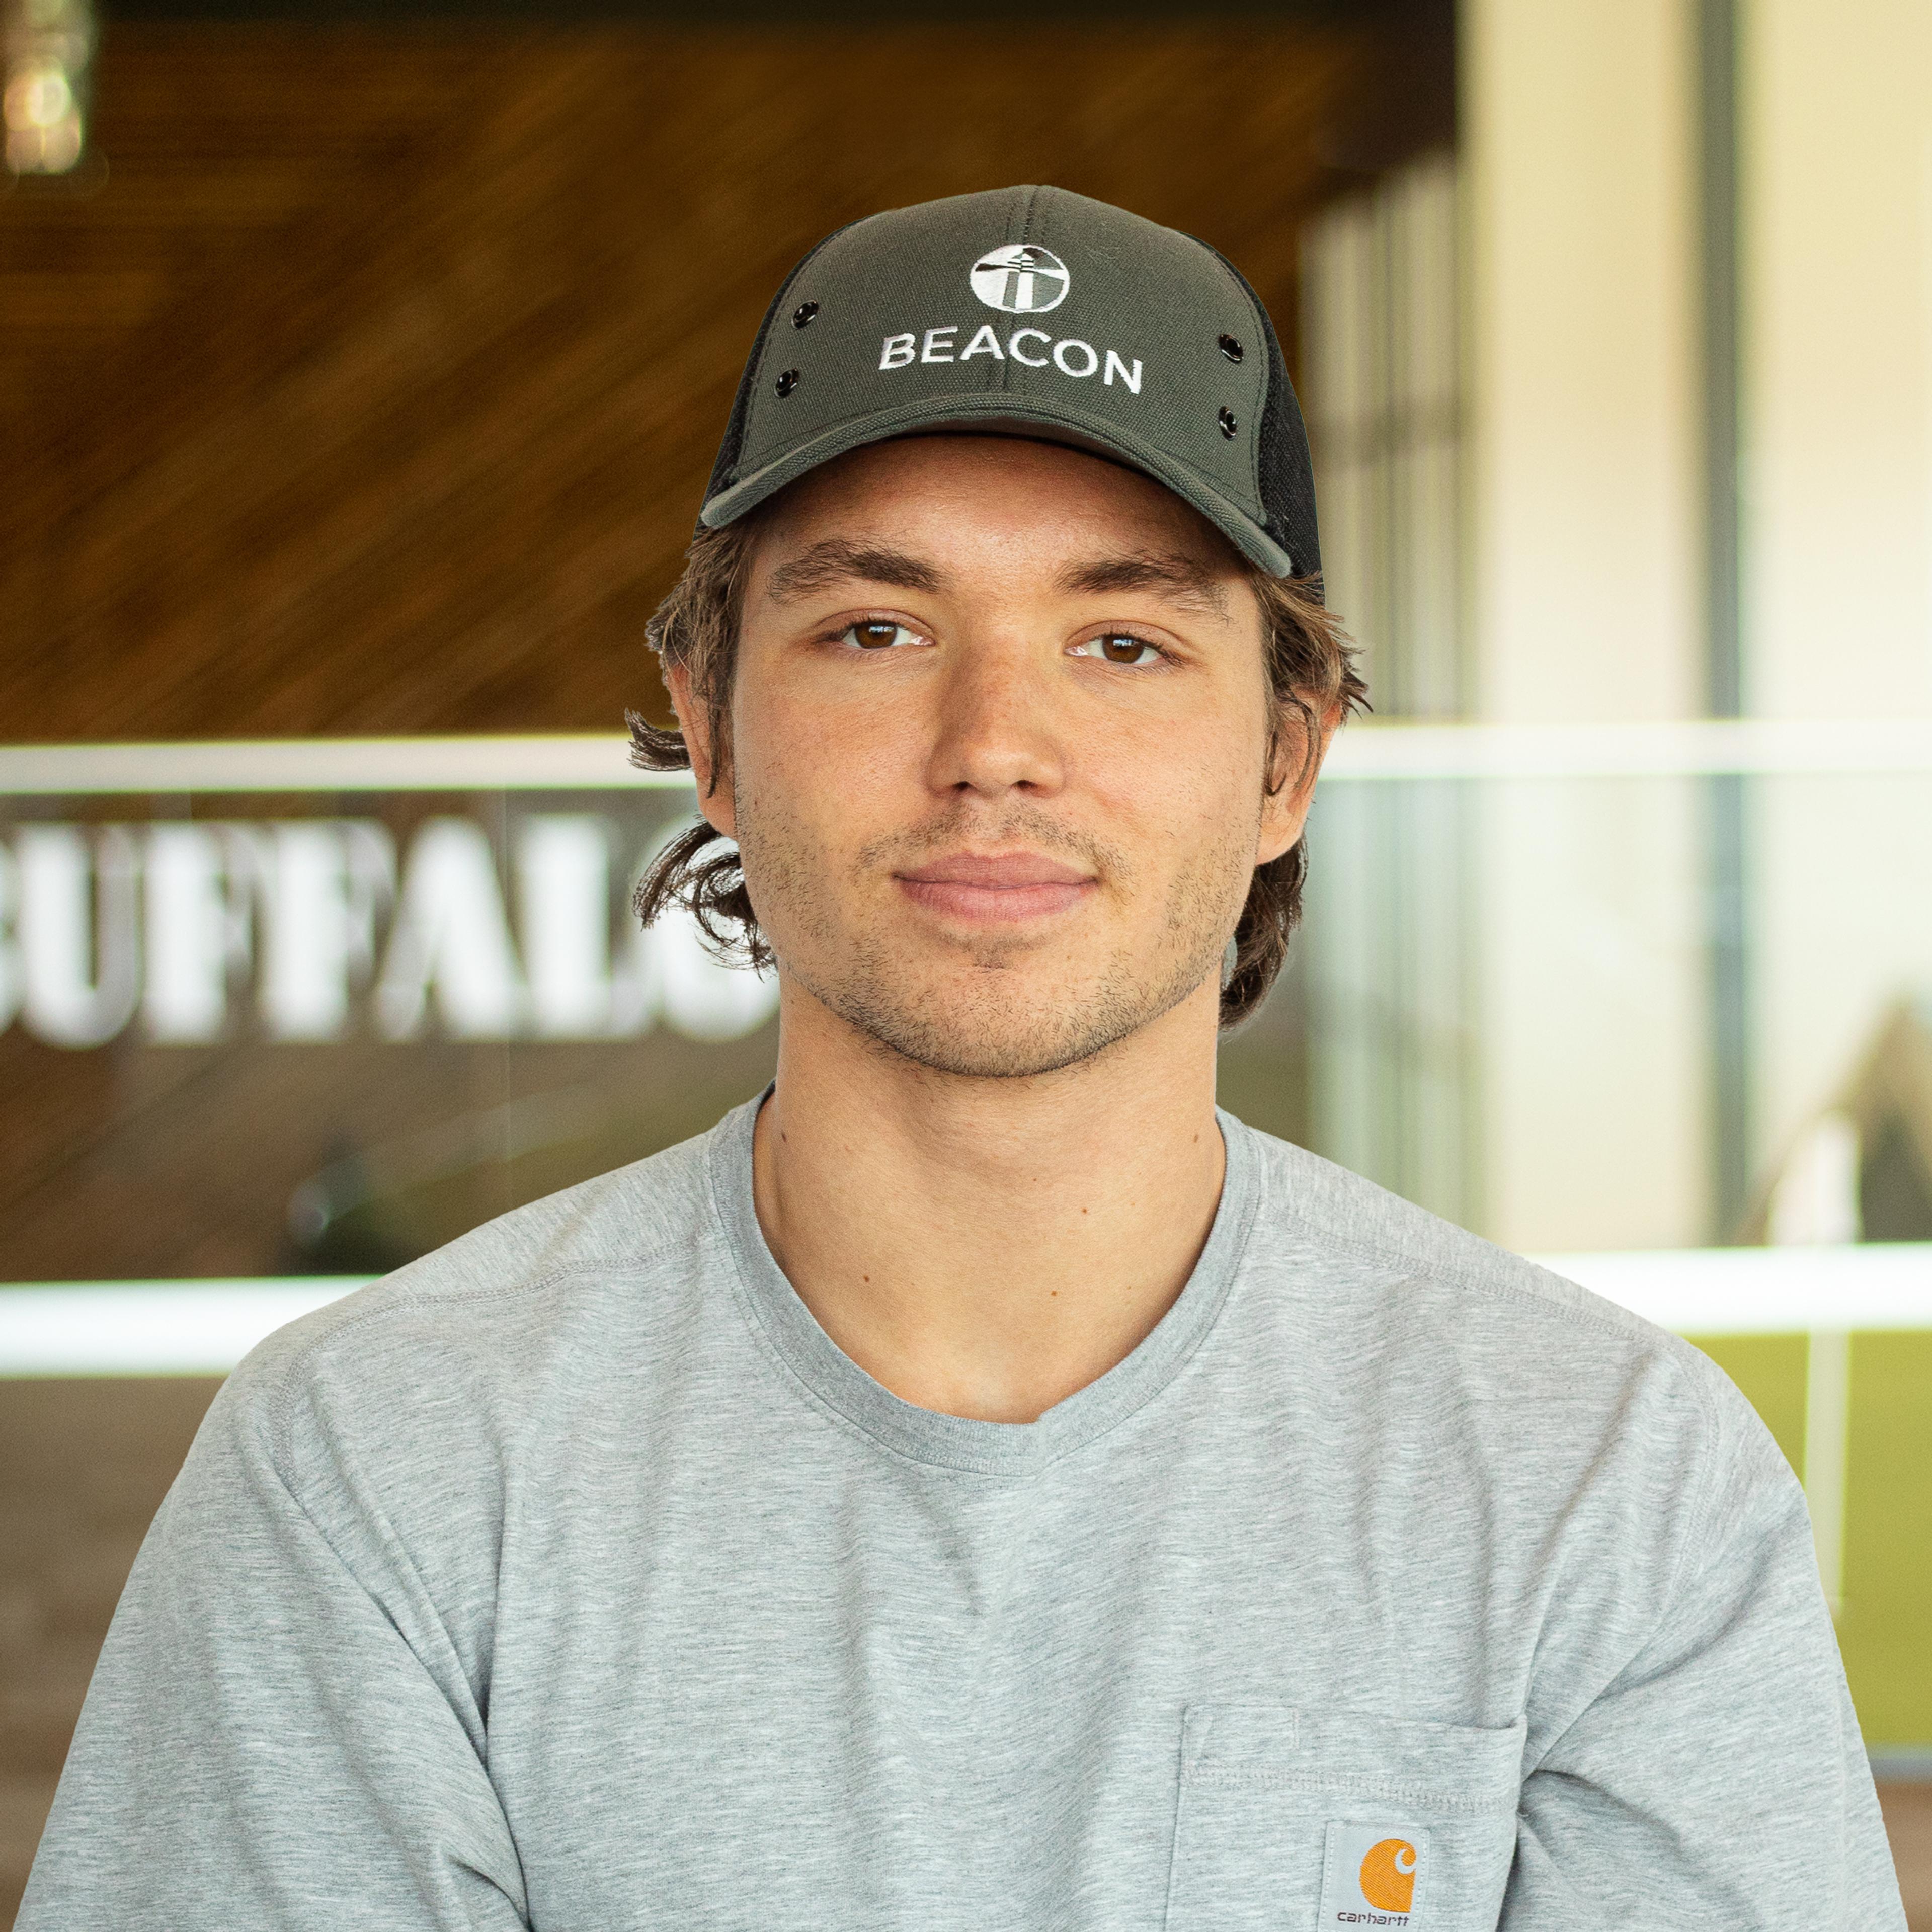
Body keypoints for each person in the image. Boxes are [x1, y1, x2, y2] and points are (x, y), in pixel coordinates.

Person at [21, 186, 1903, 1931]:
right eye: (877, 625)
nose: (994, 740)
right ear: (712, 726)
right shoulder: (382, 1463)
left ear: (1287, 758)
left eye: (1124, 643)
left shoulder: (1602, 1479)